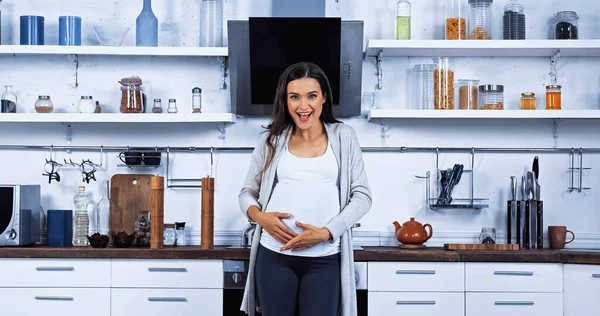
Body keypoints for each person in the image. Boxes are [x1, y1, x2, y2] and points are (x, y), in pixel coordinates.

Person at [238, 61, 372, 316]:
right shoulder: (271, 140)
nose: (303, 106)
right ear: (285, 101)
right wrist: (261, 218)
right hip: (274, 256)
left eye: (312, 96)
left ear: (323, 99)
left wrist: (326, 232)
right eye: (294, 97)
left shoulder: (343, 136)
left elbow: (362, 196)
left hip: (325, 258)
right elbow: (247, 193)